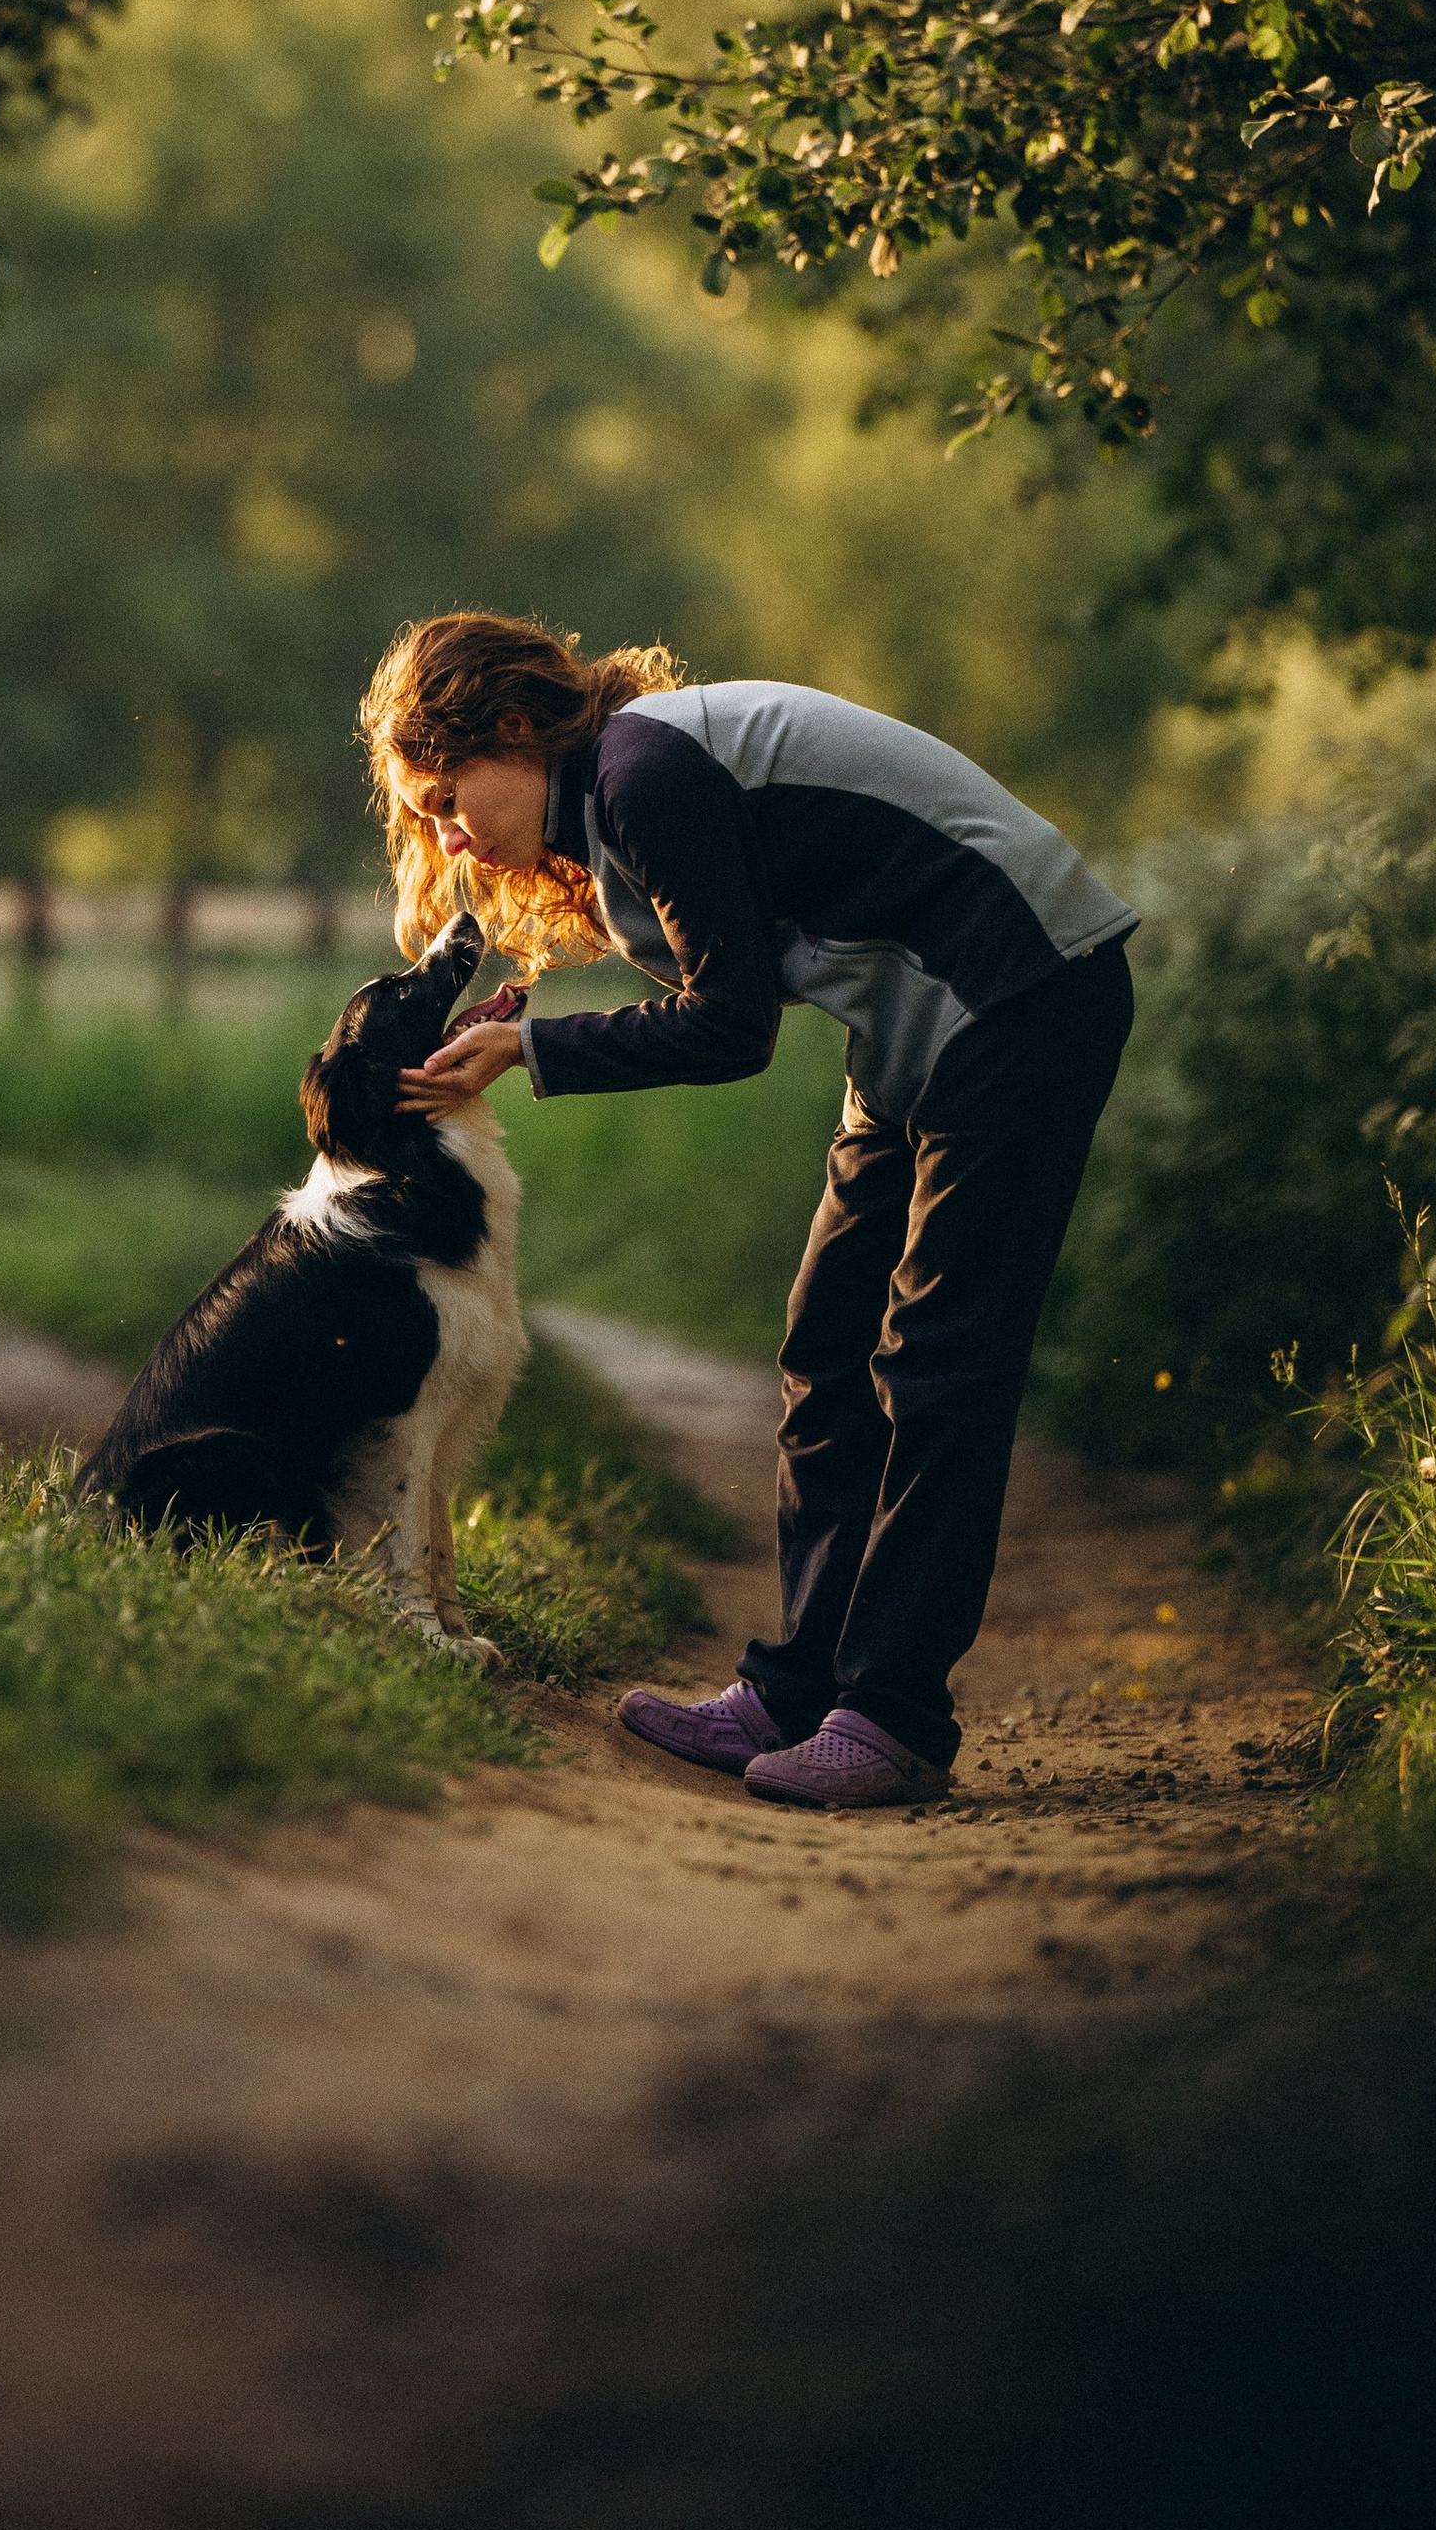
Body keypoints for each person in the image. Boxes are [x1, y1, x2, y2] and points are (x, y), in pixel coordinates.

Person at [363, 612, 1135, 1811]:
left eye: (444, 792)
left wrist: (528, 1048)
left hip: (1022, 989)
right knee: (826, 1346)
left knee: (937, 1360)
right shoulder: (622, 788)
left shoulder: (640, 771)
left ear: (512, 729)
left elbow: (731, 1026)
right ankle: (794, 1689)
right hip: (917, 1020)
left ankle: (890, 1718)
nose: (444, 832)